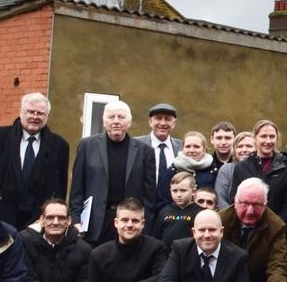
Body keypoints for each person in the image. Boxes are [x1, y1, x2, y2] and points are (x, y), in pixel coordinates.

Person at [0, 93, 70, 230]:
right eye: (30, 112)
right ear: (21, 112)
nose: (35, 117)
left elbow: (60, 190)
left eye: (40, 113)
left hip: (39, 222)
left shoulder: (59, 146)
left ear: (47, 116)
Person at [68, 101, 157, 245]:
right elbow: (77, 188)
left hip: (129, 222)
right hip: (95, 223)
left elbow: (149, 195)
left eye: (121, 117)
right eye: (111, 117)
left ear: (129, 122)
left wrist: (145, 226)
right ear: (104, 121)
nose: (116, 121)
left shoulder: (145, 151)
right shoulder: (87, 146)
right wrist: (76, 220)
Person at [229, 120, 287, 222]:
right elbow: (235, 200)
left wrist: (277, 224)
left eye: (272, 136)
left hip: (279, 227)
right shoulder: (242, 168)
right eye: (263, 136)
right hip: (249, 225)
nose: (268, 141)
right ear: (255, 138)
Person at [139, 102, 184, 210]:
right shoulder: (137, 146)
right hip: (142, 207)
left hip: (173, 208)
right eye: (158, 118)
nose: (163, 123)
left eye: (167, 119)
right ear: (150, 122)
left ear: (174, 123)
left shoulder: (182, 147)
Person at [153, 171, 199, 243]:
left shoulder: (200, 213)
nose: (178, 195)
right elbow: (156, 238)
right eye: (175, 191)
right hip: (166, 253)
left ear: (193, 191)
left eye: (183, 190)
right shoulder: (164, 212)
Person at [215, 131, 257, 207]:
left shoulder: (262, 169)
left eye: (249, 146)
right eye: (240, 146)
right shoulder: (227, 169)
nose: (244, 150)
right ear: (234, 150)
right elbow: (220, 199)